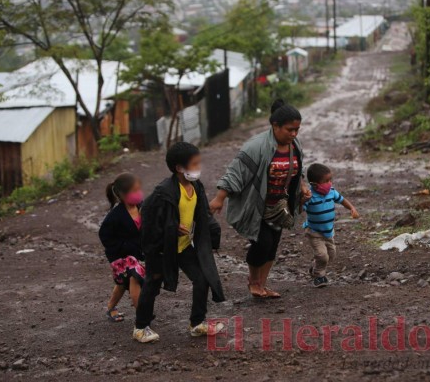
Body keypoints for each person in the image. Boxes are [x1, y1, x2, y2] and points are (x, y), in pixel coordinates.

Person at [210, 99, 312, 299]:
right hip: (258, 205)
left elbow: (298, 169)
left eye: (297, 130)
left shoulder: (295, 145)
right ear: (275, 126)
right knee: (262, 242)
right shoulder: (256, 146)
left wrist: (302, 186)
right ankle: (253, 281)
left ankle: (262, 285)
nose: (294, 134)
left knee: (273, 244)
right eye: (290, 129)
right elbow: (235, 172)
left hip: (280, 205)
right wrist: (219, 198)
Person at [133, 142, 225, 343]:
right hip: (162, 249)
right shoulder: (163, 192)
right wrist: (170, 228)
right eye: (194, 164)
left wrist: (213, 235)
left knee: (202, 278)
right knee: (152, 284)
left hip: (183, 246)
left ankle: (197, 323)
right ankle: (140, 327)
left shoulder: (196, 187)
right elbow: (146, 214)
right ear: (179, 168)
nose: (198, 168)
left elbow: (202, 215)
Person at [99, 173, 146, 322]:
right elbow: (104, 235)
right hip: (120, 256)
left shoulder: (141, 207)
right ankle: (142, 315)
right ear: (123, 194)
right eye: (134, 190)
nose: (139, 193)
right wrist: (123, 247)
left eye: (139, 189)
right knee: (135, 277)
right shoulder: (115, 216)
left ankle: (110, 307)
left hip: (137, 253)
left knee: (122, 283)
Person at [304, 163, 359, 288]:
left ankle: (315, 266)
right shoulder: (310, 197)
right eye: (326, 181)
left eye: (330, 180)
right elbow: (299, 209)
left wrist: (351, 208)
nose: (330, 183)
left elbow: (342, 200)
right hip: (314, 232)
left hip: (328, 232)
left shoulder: (332, 192)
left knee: (331, 255)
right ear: (314, 184)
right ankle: (319, 276)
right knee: (322, 255)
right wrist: (303, 199)